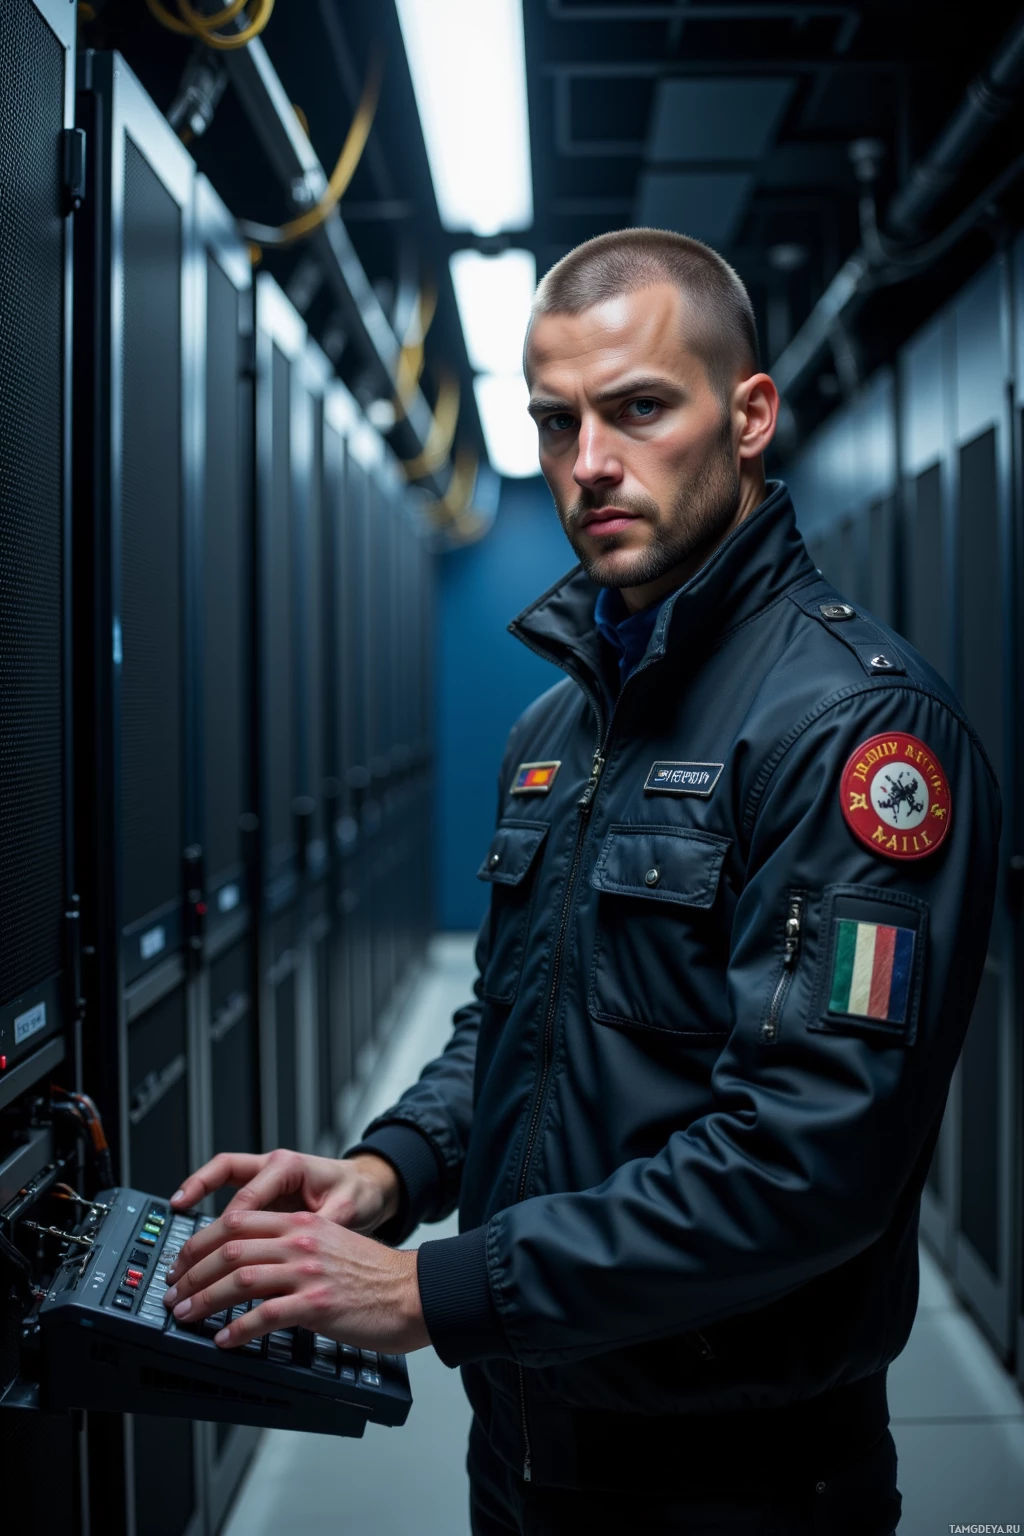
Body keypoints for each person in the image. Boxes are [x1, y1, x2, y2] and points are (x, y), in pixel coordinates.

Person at [162, 229, 1001, 1534]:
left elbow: (806, 1163)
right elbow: (516, 1015)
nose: (589, 463)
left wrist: (434, 1293)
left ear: (749, 418)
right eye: (557, 423)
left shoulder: (853, 738)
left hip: (738, 1482)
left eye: (640, 409)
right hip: (528, 1444)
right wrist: (389, 1171)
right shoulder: (557, 730)